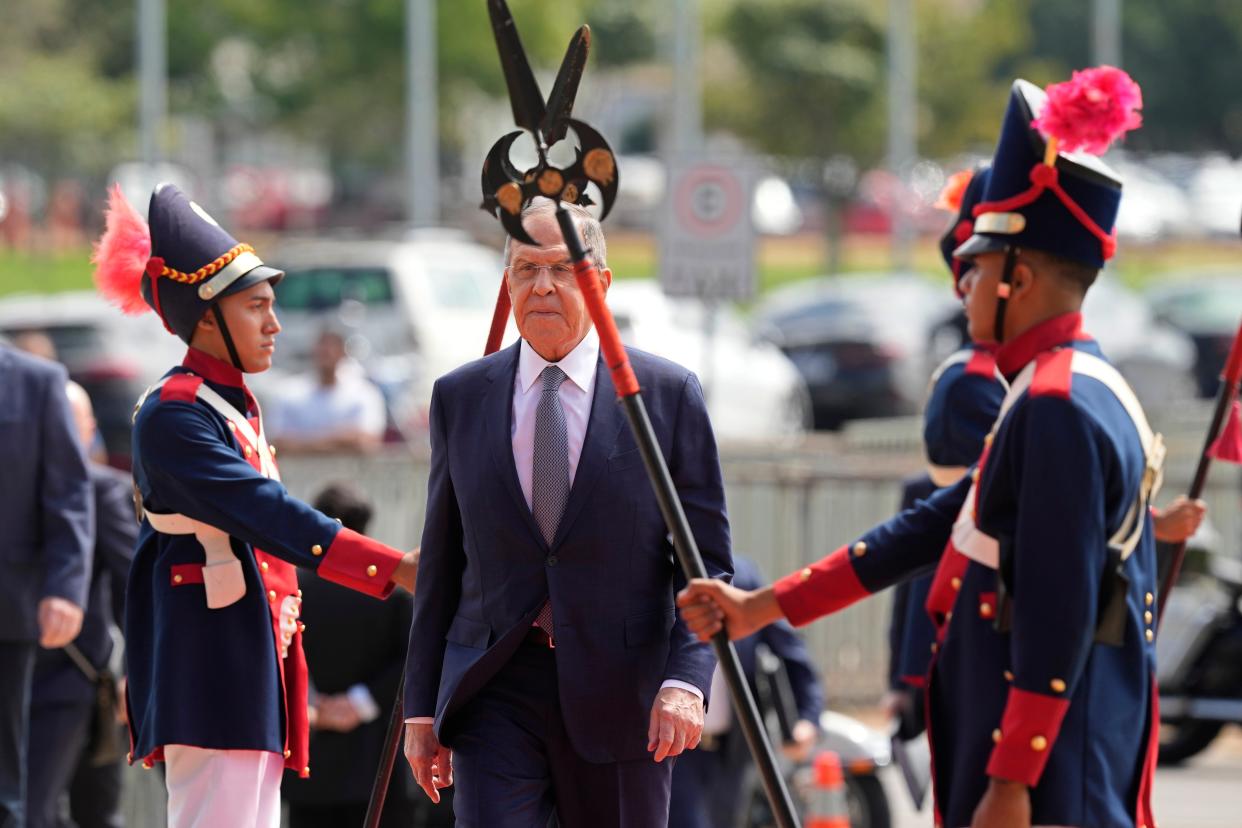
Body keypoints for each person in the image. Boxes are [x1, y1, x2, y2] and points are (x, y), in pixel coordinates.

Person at [679, 72, 1204, 828]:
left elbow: (1059, 610)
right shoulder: (1061, 388)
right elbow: (929, 528)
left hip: (1044, 774)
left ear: (1019, 276)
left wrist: (1012, 779)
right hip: (1045, 753)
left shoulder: (1056, 403)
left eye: (978, 269)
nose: (962, 288)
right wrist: (760, 607)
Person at [91, 183, 417, 828]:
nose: (275, 324)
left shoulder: (226, 405)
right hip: (213, 666)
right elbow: (267, 511)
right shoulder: (175, 415)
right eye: (257, 307)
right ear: (207, 317)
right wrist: (390, 568)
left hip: (248, 658)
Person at [403, 198, 733, 827]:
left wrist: (686, 681)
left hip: (624, 693)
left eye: (562, 268)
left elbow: (705, 563)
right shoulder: (461, 397)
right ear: (507, 284)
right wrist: (422, 708)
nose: (543, 286)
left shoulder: (665, 397)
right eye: (525, 270)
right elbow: (443, 559)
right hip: (494, 686)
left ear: (600, 283)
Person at [26, 382, 134, 828]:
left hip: (74, 681)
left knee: (48, 810)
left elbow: (133, 584)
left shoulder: (103, 490)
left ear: (91, 428)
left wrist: (138, 674)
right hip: (20, 676)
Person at [282, 482, 417, 828]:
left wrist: (312, 704)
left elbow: (279, 653)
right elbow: (413, 660)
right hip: (378, 766)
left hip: (312, 767)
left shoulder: (294, 589)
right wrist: (361, 702)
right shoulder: (395, 594)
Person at [0, 346, 92, 828]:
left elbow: (70, 492)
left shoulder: (36, 380)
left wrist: (65, 586)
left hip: (6, 609)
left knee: (3, 787)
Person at [669, 556, 823, 828]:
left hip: (732, 749)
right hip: (673, 747)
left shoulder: (742, 577)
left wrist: (807, 718)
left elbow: (791, 651)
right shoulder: (653, 573)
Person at [266, 329, 387, 453]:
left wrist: (304, 442)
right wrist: (341, 439)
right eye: (322, 348)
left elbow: (367, 442)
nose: (327, 353)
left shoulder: (364, 393)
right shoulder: (288, 392)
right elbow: (276, 443)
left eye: (332, 348)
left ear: (342, 353)